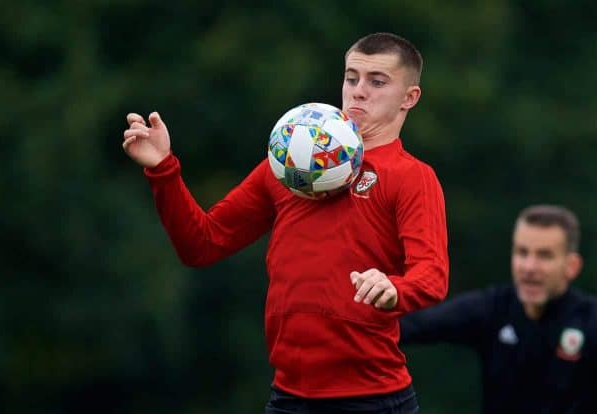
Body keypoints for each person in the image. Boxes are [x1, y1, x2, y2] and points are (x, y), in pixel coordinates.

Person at [122, 32, 449, 414]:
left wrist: (395, 288)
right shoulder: (291, 164)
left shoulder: (411, 176)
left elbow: (432, 276)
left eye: (377, 82)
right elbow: (202, 244)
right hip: (289, 398)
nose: (359, 91)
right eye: (351, 78)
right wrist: (164, 170)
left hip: (372, 400)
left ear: (409, 97)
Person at [399, 205, 597, 414]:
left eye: (545, 256)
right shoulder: (493, 308)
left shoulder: (590, 320)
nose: (529, 267)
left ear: (572, 266)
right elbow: (414, 324)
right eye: (522, 252)